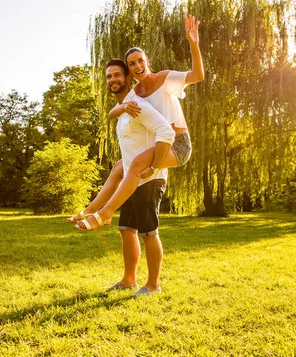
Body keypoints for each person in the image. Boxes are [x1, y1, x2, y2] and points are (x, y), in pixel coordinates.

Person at [70, 15, 204, 231]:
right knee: (117, 168)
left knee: (134, 165)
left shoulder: (165, 78)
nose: (138, 66)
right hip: (160, 142)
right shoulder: (135, 93)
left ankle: (104, 214)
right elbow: (113, 113)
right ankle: (90, 210)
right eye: (132, 64)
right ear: (129, 71)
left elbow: (198, 75)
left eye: (140, 61)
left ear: (147, 62)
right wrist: (123, 107)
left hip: (178, 144)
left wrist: (193, 44)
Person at [90, 58, 175, 296]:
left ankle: (153, 285)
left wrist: (155, 166)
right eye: (109, 76)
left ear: (128, 78)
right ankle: (128, 280)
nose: (113, 80)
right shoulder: (124, 110)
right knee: (127, 229)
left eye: (117, 75)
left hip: (148, 178)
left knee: (149, 232)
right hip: (131, 180)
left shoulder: (137, 105)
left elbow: (165, 132)